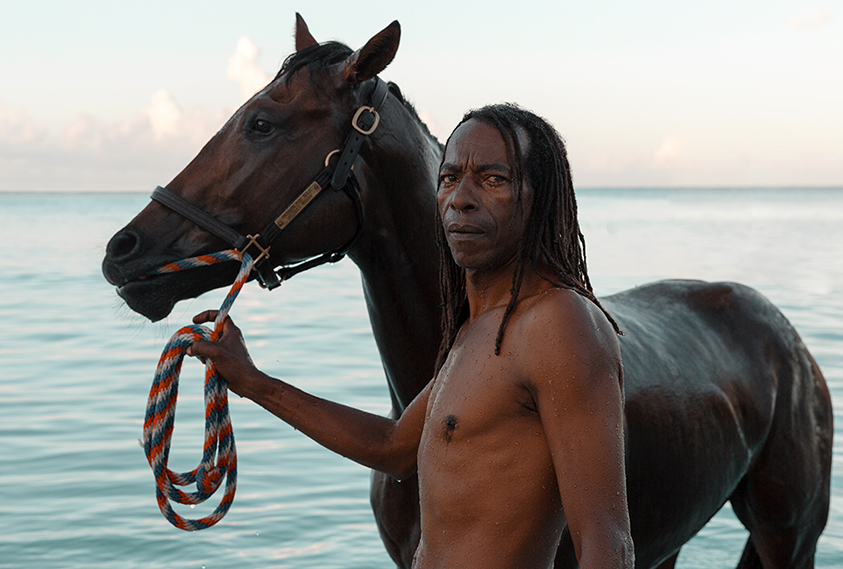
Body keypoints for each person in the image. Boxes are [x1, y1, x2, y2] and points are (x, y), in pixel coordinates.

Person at [188, 103, 634, 568]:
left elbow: (608, 542)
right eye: (449, 178)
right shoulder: (480, 328)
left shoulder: (559, 323)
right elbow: (392, 445)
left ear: (538, 197)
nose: (460, 197)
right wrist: (253, 381)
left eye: (493, 179)